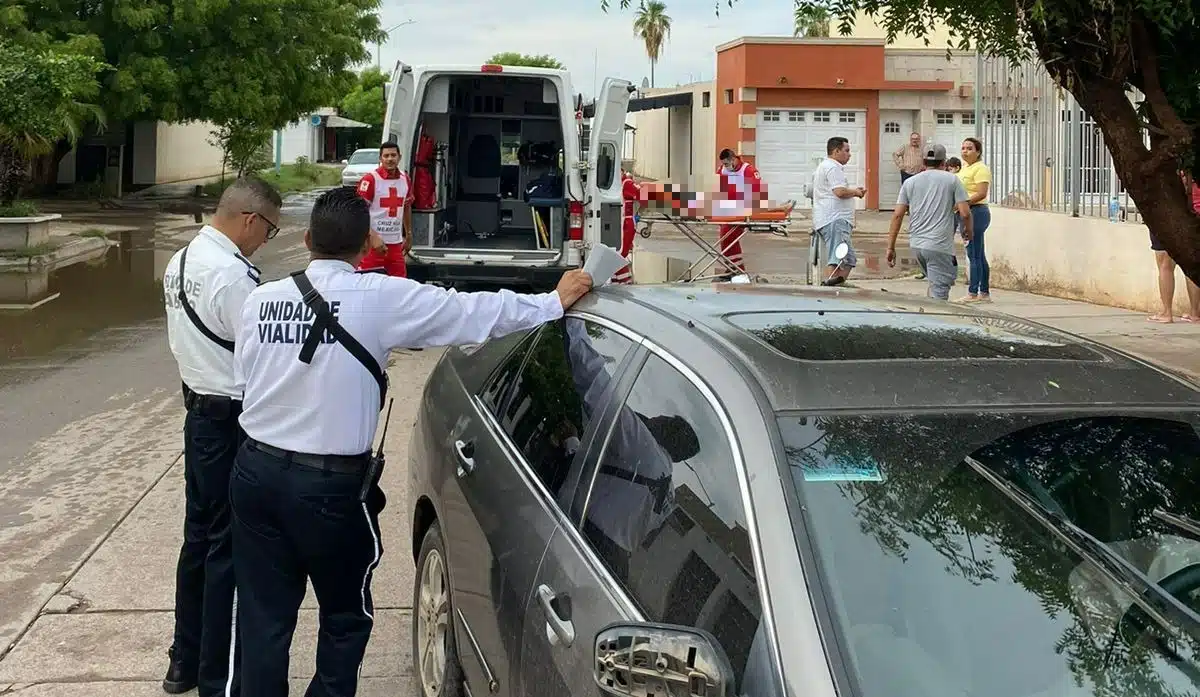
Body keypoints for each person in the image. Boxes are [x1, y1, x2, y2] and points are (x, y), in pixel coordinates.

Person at [229, 186, 593, 697]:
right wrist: (552, 301)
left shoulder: (260, 300)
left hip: (255, 477)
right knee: (343, 617)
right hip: (328, 491)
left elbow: (247, 374)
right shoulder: (381, 297)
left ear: (308, 239)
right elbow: (473, 313)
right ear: (366, 247)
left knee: (264, 617)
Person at [161, 176, 283, 697]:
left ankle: (183, 661)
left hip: (198, 417)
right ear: (250, 220)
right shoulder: (233, 277)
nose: (266, 241)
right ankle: (215, 675)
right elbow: (260, 352)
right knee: (226, 550)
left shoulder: (181, 260)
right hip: (229, 420)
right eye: (270, 231)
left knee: (197, 541)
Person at [886, 143, 973, 301]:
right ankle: (934, 325)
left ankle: (926, 320)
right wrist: (968, 232)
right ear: (944, 163)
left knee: (934, 286)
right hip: (939, 247)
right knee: (939, 295)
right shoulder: (952, 180)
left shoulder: (910, 182)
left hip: (917, 245)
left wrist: (890, 247)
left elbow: (897, 215)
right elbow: (965, 213)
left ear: (923, 162)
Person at [812, 137, 867, 286]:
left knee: (848, 259)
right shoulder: (832, 167)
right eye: (846, 151)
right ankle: (830, 288)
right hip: (834, 219)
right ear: (836, 151)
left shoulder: (829, 166)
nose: (849, 155)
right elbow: (840, 191)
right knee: (839, 258)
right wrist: (856, 192)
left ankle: (837, 285)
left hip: (836, 219)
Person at [1148, 172, 1200, 322]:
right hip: (1194, 219)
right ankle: (1195, 313)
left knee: (1165, 266)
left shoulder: (1165, 169)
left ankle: (1166, 312)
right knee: (1191, 267)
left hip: (1167, 219)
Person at [355, 141, 412, 277]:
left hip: (395, 245)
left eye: (393, 155)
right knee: (368, 283)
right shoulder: (370, 180)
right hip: (372, 245)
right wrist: (372, 237)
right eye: (386, 156)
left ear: (399, 157)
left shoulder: (405, 180)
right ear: (380, 159)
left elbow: (406, 206)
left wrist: (409, 234)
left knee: (400, 286)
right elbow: (357, 212)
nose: (390, 159)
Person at [716, 148, 762, 275]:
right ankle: (733, 269)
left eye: (726, 163)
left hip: (741, 211)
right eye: (723, 164)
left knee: (728, 239)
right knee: (727, 240)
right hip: (726, 211)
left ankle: (736, 270)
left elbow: (756, 191)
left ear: (733, 160)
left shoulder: (748, 170)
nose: (724, 166)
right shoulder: (722, 170)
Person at [958, 137, 993, 302]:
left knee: (973, 254)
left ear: (978, 152)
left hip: (976, 212)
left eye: (969, 148)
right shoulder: (965, 168)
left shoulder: (981, 169)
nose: (965, 151)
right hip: (967, 211)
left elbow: (981, 193)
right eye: (963, 148)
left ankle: (973, 292)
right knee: (979, 253)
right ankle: (984, 292)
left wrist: (963, 203)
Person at [613, 169, 641, 285]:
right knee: (618, 254)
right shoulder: (616, 185)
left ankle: (624, 282)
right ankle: (618, 281)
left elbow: (643, 196)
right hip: (620, 223)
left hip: (625, 224)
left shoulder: (626, 183)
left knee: (620, 254)